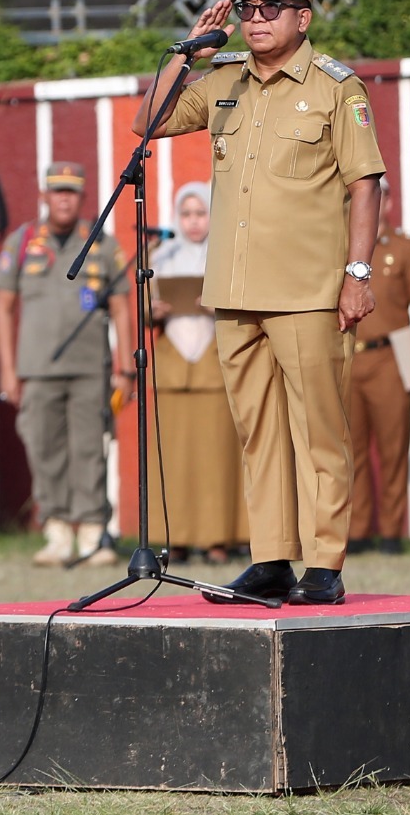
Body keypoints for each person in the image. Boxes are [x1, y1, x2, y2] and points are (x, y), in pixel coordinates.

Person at [131, 0, 384, 607]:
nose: (256, 17)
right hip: (235, 293)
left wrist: (358, 273)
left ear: (304, 16)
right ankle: (271, 557)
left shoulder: (337, 88)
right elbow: (147, 121)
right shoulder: (224, 81)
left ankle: (323, 563)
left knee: (319, 428)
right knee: (257, 431)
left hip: (307, 292)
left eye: (271, 6)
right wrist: (187, 49)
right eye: (247, 6)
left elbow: (365, 184)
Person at [0, 161, 133, 568]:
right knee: (43, 448)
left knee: (91, 449)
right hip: (36, 369)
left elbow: (123, 307)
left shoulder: (101, 244)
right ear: (44, 196)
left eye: (71, 192)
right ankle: (56, 531)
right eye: (57, 191)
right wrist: (7, 369)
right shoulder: (21, 243)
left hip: (92, 368)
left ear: (82, 197)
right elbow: (4, 308)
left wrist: (125, 365)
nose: (64, 199)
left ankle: (92, 532)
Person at [145, 181, 247, 565]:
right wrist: (152, 310)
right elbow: (140, 304)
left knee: (215, 457)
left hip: (212, 363)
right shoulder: (163, 255)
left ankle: (217, 537)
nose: (192, 222)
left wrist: (215, 303)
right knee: (174, 460)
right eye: (186, 214)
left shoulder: (226, 254)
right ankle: (175, 539)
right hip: (173, 365)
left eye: (200, 213)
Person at [346, 176, 410, 555]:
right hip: (352, 352)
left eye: (379, 196)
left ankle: (391, 532)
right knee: (351, 448)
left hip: (392, 353)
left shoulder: (404, 247)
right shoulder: (346, 246)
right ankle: (359, 530)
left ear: (390, 202)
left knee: (393, 445)